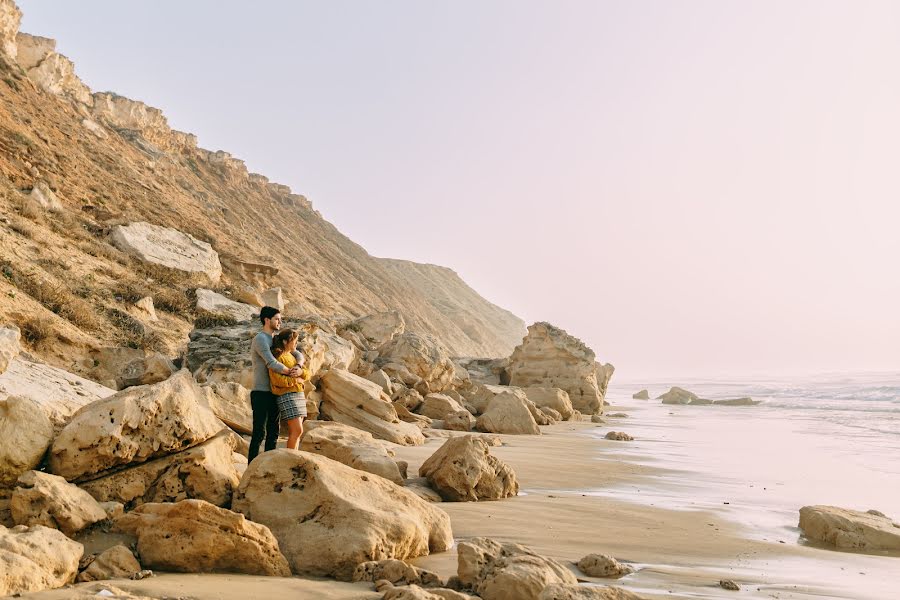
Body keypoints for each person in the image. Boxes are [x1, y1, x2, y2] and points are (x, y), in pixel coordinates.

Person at [248, 306, 302, 462]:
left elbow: (297, 352)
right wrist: (290, 372)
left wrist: (298, 366)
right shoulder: (260, 339)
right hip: (261, 392)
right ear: (267, 320)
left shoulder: (276, 339)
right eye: (277, 319)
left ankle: (267, 467)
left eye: (280, 319)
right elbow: (271, 363)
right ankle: (251, 467)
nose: (280, 322)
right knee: (259, 433)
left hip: (275, 392)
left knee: (274, 433)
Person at [268, 328, 308, 450]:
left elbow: (307, 374)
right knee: (297, 430)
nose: (296, 344)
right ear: (285, 341)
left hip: (299, 394)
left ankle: (294, 455)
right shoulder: (277, 357)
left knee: (298, 432)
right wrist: (296, 380)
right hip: (287, 395)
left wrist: (301, 371)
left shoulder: (292, 356)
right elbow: (277, 380)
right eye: (294, 341)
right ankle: (290, 457)